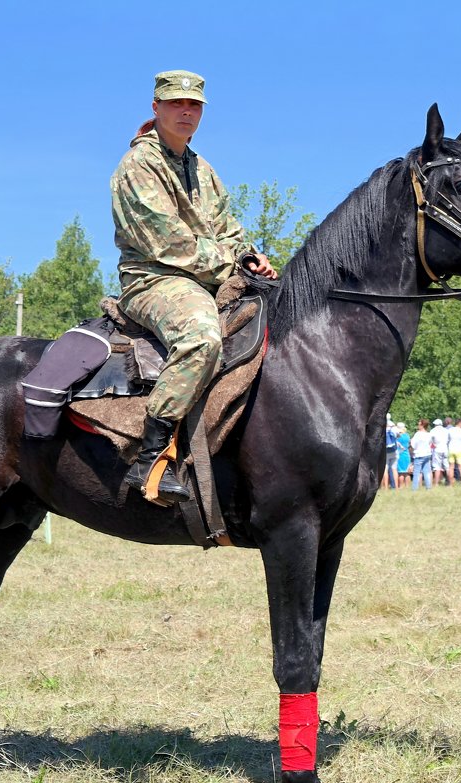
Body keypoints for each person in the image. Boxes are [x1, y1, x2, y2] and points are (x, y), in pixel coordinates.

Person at [111, 69, 276, 504]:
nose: (186, 111)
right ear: (156, 108)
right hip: (155, 279)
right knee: (202, 338)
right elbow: (167, 243)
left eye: (194, 105)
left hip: (208, 277)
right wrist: (231, 261)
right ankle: (151, 455)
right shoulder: (138, 166)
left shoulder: (203, 169)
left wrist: (252, 256)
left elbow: (227, 228)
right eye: (176, 103)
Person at [429, 418, 450, 486]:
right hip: (445, 448)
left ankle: (436, 483)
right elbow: (448, 440)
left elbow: (430, 441)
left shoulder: (433, 430)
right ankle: (450, 483)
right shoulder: (446, 430)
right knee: (447, 467)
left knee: (437, 467)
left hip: (437, 449)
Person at [395, 423, 411, 488]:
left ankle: (401, 486)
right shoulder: (407, 435)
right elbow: (409, 444)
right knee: (407, 472)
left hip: (400, 455)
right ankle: (407, 487)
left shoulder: (397, 436)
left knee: (401, 472)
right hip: (407, 454)